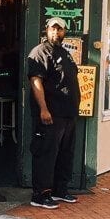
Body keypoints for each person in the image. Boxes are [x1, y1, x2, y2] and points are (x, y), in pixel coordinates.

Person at [27, 16, 81, 208]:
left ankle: (60, 190)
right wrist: (43, 109)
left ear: (65, 32)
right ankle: (40, 195)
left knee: (65, 153)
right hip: (51, 113)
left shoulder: (64, 53)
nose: (56, 32)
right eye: (52, 29)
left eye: (60, 29)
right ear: (46, 30)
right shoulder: (40, 52)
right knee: (46, 154)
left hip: (68, 113)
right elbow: (36, 81)